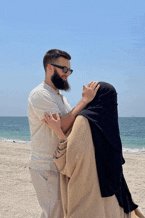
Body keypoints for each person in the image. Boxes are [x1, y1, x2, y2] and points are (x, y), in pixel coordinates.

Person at [42, 82, 145, 218]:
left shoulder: (84, 121)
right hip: (113, 202)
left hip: (87, 202)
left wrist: (58, 131)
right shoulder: (111, 126)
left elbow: (70, 165)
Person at [27, 49, 100, 218]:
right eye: (64, 69)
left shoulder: (60, 97)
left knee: (58, 213)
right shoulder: (40, 94)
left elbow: (71, 125)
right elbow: (64, 126)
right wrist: (84, 100)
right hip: (46, 165)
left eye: (69, 70)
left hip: (60, 164)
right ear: (50, 68)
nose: (68, 74)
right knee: (55, 214)